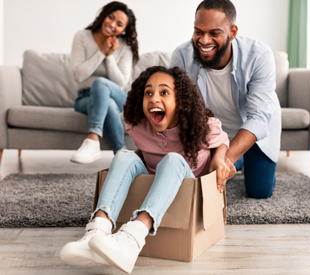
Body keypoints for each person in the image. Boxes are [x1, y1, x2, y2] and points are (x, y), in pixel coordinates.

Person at [60, 66, 230, 273]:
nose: (154, 98)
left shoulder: (202, 127)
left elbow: (222, 141)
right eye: (148, 93)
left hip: (188, 182)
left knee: (173, 160)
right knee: (124, 155)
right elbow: (141, 151)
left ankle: (133, 237)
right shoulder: (138, 127)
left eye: (164, 92)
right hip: (155, 180)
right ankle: (96, 231)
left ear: (182, 102)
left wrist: (220, 159)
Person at [170, 0, 282, 199]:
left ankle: (240, 160)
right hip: (211, 135)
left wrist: (226, 158)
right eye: (198, 31)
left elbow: (258, 118)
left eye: (214, 33)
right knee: (200, 176)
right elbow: (178, 110)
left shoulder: (258, 55)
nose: (204, 41)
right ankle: (233, 162)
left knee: (259, 192)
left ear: (232, 32)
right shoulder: (182, 55)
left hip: (254, 136)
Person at [70, 1, 139, 164]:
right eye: (111, 17)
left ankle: (93, 140)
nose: (112, 24)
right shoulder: (82, 37)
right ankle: (122, 155)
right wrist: (101, 52)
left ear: (124, 30)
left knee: (101, 84)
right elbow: (78, 75)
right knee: (107, 104)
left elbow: (121, 82)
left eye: (119, 24)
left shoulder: (125, 48)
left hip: (118, 96)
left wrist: (109, 56)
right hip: (85, 98)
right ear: (104, 15)